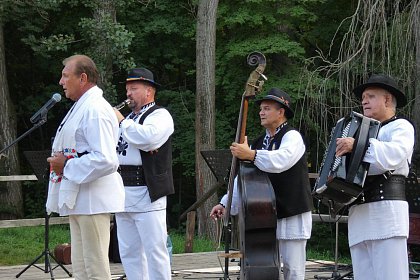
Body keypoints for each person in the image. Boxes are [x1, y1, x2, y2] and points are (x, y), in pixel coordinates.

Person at [210, 88, 314, 280]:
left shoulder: (292, 137)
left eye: (266, 108)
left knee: (293, 268)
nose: (261, 112)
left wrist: (251, 155)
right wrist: (225, 203)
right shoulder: (259, 141)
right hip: (264, 215)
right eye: (261, 109)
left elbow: (282, 160)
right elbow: (243, 179)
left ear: (281, 112)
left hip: (291, 211)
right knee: (265, 266)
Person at [46, 54, 125, 279]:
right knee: (81, 269)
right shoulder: (82, 106)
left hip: (93, 201)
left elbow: (106, 159)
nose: (61, 82)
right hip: (80, 200)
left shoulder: (96, 109)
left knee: (95, 269)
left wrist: (67, 165)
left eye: (65, 76)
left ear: (83, 78)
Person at [336, 74, 415, 280]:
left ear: (387, 99)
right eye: (363, 97)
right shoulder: (360, 132)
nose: (363, 101)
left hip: (386, 214)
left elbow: (391, 156)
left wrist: (357, 147)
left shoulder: (401, 127)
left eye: (370, 96)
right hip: (359, 216)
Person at [114, 67, 174, 279]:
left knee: (155, 250)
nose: (128, 93)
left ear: (149, 91)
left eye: (134, 88)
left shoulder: (160, 114)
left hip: (148, 191)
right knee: (129, 252)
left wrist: (122, 122)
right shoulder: (130, 118)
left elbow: (148, 138)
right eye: (127, 89)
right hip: (121, 191)